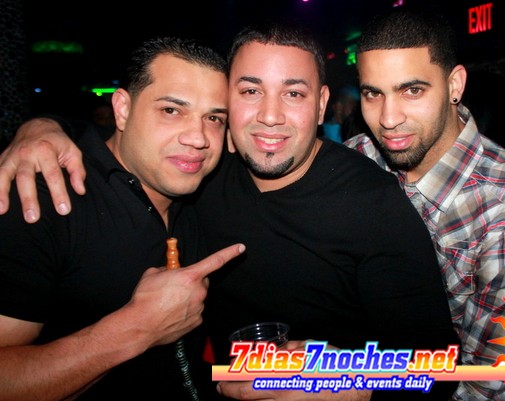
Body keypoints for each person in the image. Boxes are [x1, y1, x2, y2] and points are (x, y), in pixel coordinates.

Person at [0, 21, 460, 401]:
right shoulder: (200, 173)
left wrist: (345, 383)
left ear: (321, 104)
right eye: (250, 90)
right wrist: (41, 128)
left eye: (294, 94)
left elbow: (438, 368)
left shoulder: (374, 205)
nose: (270, 115)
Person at [0, 37, 247, 401]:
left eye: (213, 118)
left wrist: (306, 378)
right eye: (171, 110)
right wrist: (136, 329)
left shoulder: (209, 185)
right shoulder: (45, 199)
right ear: (122, 109)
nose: (198, 138)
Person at [343, 7, 505, 401]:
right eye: (373, 93)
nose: (388, 119)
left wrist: (354, 392)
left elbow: (488, 387)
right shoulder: (358, 157)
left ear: (454, 85)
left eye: (412, 90)